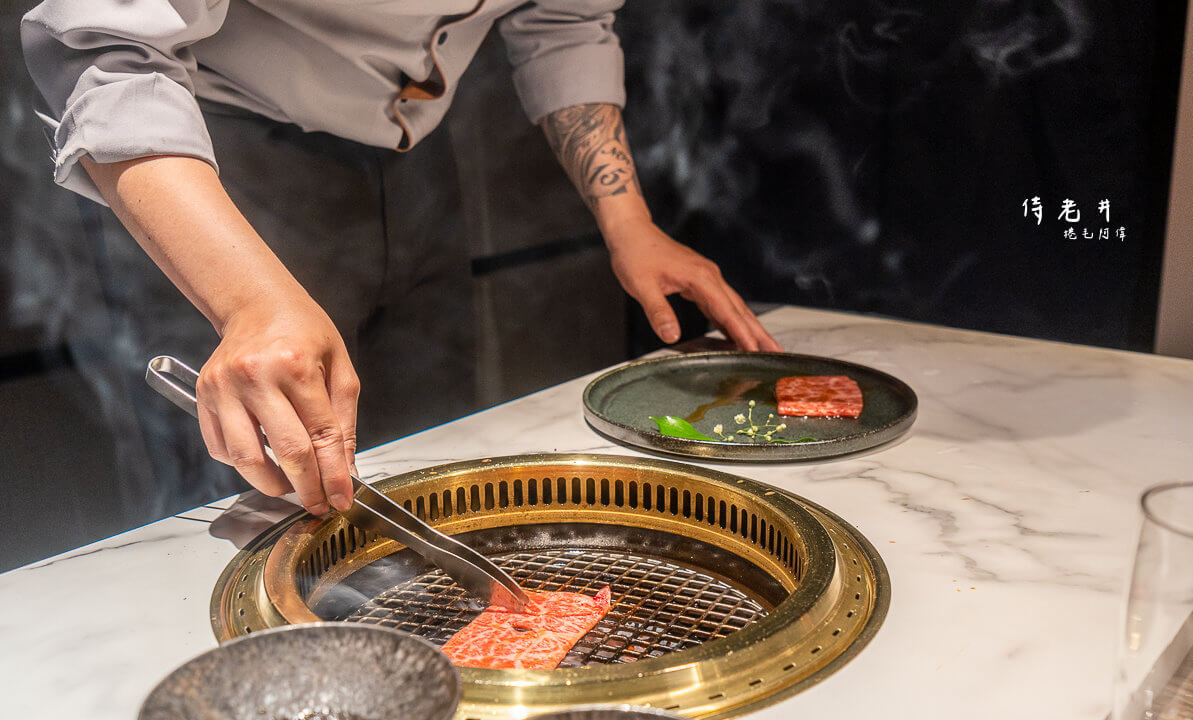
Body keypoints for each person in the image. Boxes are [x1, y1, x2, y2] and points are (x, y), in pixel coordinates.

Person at [21, 0, 782, 518]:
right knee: (259, 494)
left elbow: (565, 19)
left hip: (415, 153)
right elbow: (106, 46)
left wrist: (630, 223)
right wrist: (251, 303)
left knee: (432, 469)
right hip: (216, 159)